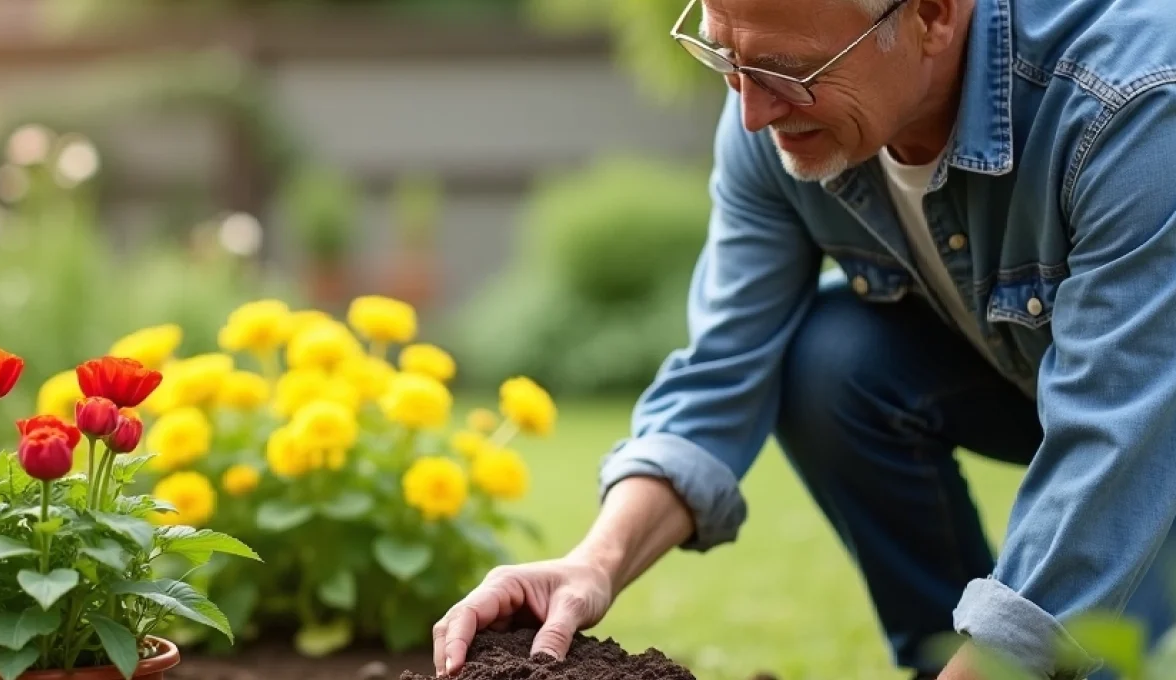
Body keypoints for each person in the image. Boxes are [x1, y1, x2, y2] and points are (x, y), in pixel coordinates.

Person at [433, 0, 1176, 677]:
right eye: (726, 59)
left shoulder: (1129, 107)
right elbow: (723, 373)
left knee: (1065, 654)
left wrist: (1016, 652)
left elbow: (1122, 437)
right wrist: (593, 563)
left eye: (789, 73)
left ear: (932, 16)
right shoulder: (775, 120)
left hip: (1149, 418)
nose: (752, 112)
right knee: (833, 362)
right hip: (1057, 388)